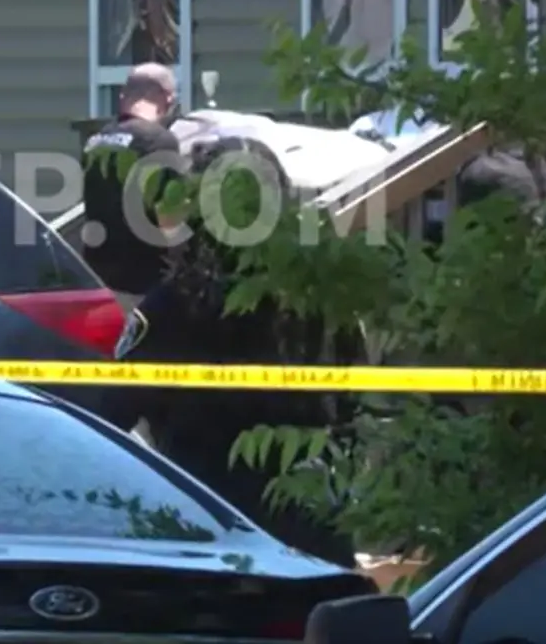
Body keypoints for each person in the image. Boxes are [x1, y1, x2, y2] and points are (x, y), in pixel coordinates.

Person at [97, 134, 364, 566]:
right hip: (313, 534)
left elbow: (109, 418)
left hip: (206, 531)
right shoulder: (325, 304)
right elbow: (355, 407)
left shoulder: (172, 308)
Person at [82, 63, 184, 308]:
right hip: (143, 284)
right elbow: (168, 218)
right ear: (167, 99)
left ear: (122, 97)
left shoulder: (96, 142)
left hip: (99, 280)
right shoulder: (159, 142)